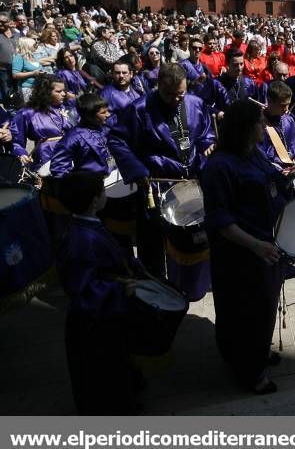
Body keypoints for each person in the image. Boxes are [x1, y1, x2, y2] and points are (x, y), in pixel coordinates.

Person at [201, 100, 295, 394]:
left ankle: (258, 351)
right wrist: (255, 245)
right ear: (246, 128)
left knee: (264, 309)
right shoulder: (219, 167)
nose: (265, 127)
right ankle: (249, 372)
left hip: (264, 248)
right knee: (242, 313)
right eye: (260, 122)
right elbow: (219, 220)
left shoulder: (253, 152)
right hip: (240, 255)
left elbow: (268, 180)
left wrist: (290, 175)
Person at [109, 63, 215, 277]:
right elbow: (117, 140)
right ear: (158, 86)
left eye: (181, 94)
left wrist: (207, 144)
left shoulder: (195, 103)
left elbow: (205, 132)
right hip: (157, 182)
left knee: (192, 234)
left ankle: (191, 278)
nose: (177, 99)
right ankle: (154, 281)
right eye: (170, 94)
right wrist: (137, 169)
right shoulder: (140, 108)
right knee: (152, 238)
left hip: (191, 178)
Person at [56, 172, 147, 414]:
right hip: (94, 325)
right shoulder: (80, 240)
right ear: (94, 201)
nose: (106, 194)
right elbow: (82, 291)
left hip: (106, 316)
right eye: (103, 191)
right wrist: (119, 289)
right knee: (102, 376)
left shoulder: (89, 225)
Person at [10, 75, 72, 171]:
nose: (64, 94)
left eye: (64, 90)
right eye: (58, 91)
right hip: (46, 159)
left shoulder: (69, 109)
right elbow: (17, 141)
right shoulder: (28, 113)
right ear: (45, 93)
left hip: (71, 156)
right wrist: (21, 154)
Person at [49, 94, 112, 178]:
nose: (108, 114)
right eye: (103, 112)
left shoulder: (105, 128)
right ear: (89, 116)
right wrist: (77, 184)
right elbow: (58, 167)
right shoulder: (73, 137)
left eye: (107, 111)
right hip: (89, 183)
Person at [99, 59, 145, 126]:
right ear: (112, 74)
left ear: (131, 74)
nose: (121, 76)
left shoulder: (137, 89)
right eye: (117, 73)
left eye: (124, 72)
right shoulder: (106, 94)